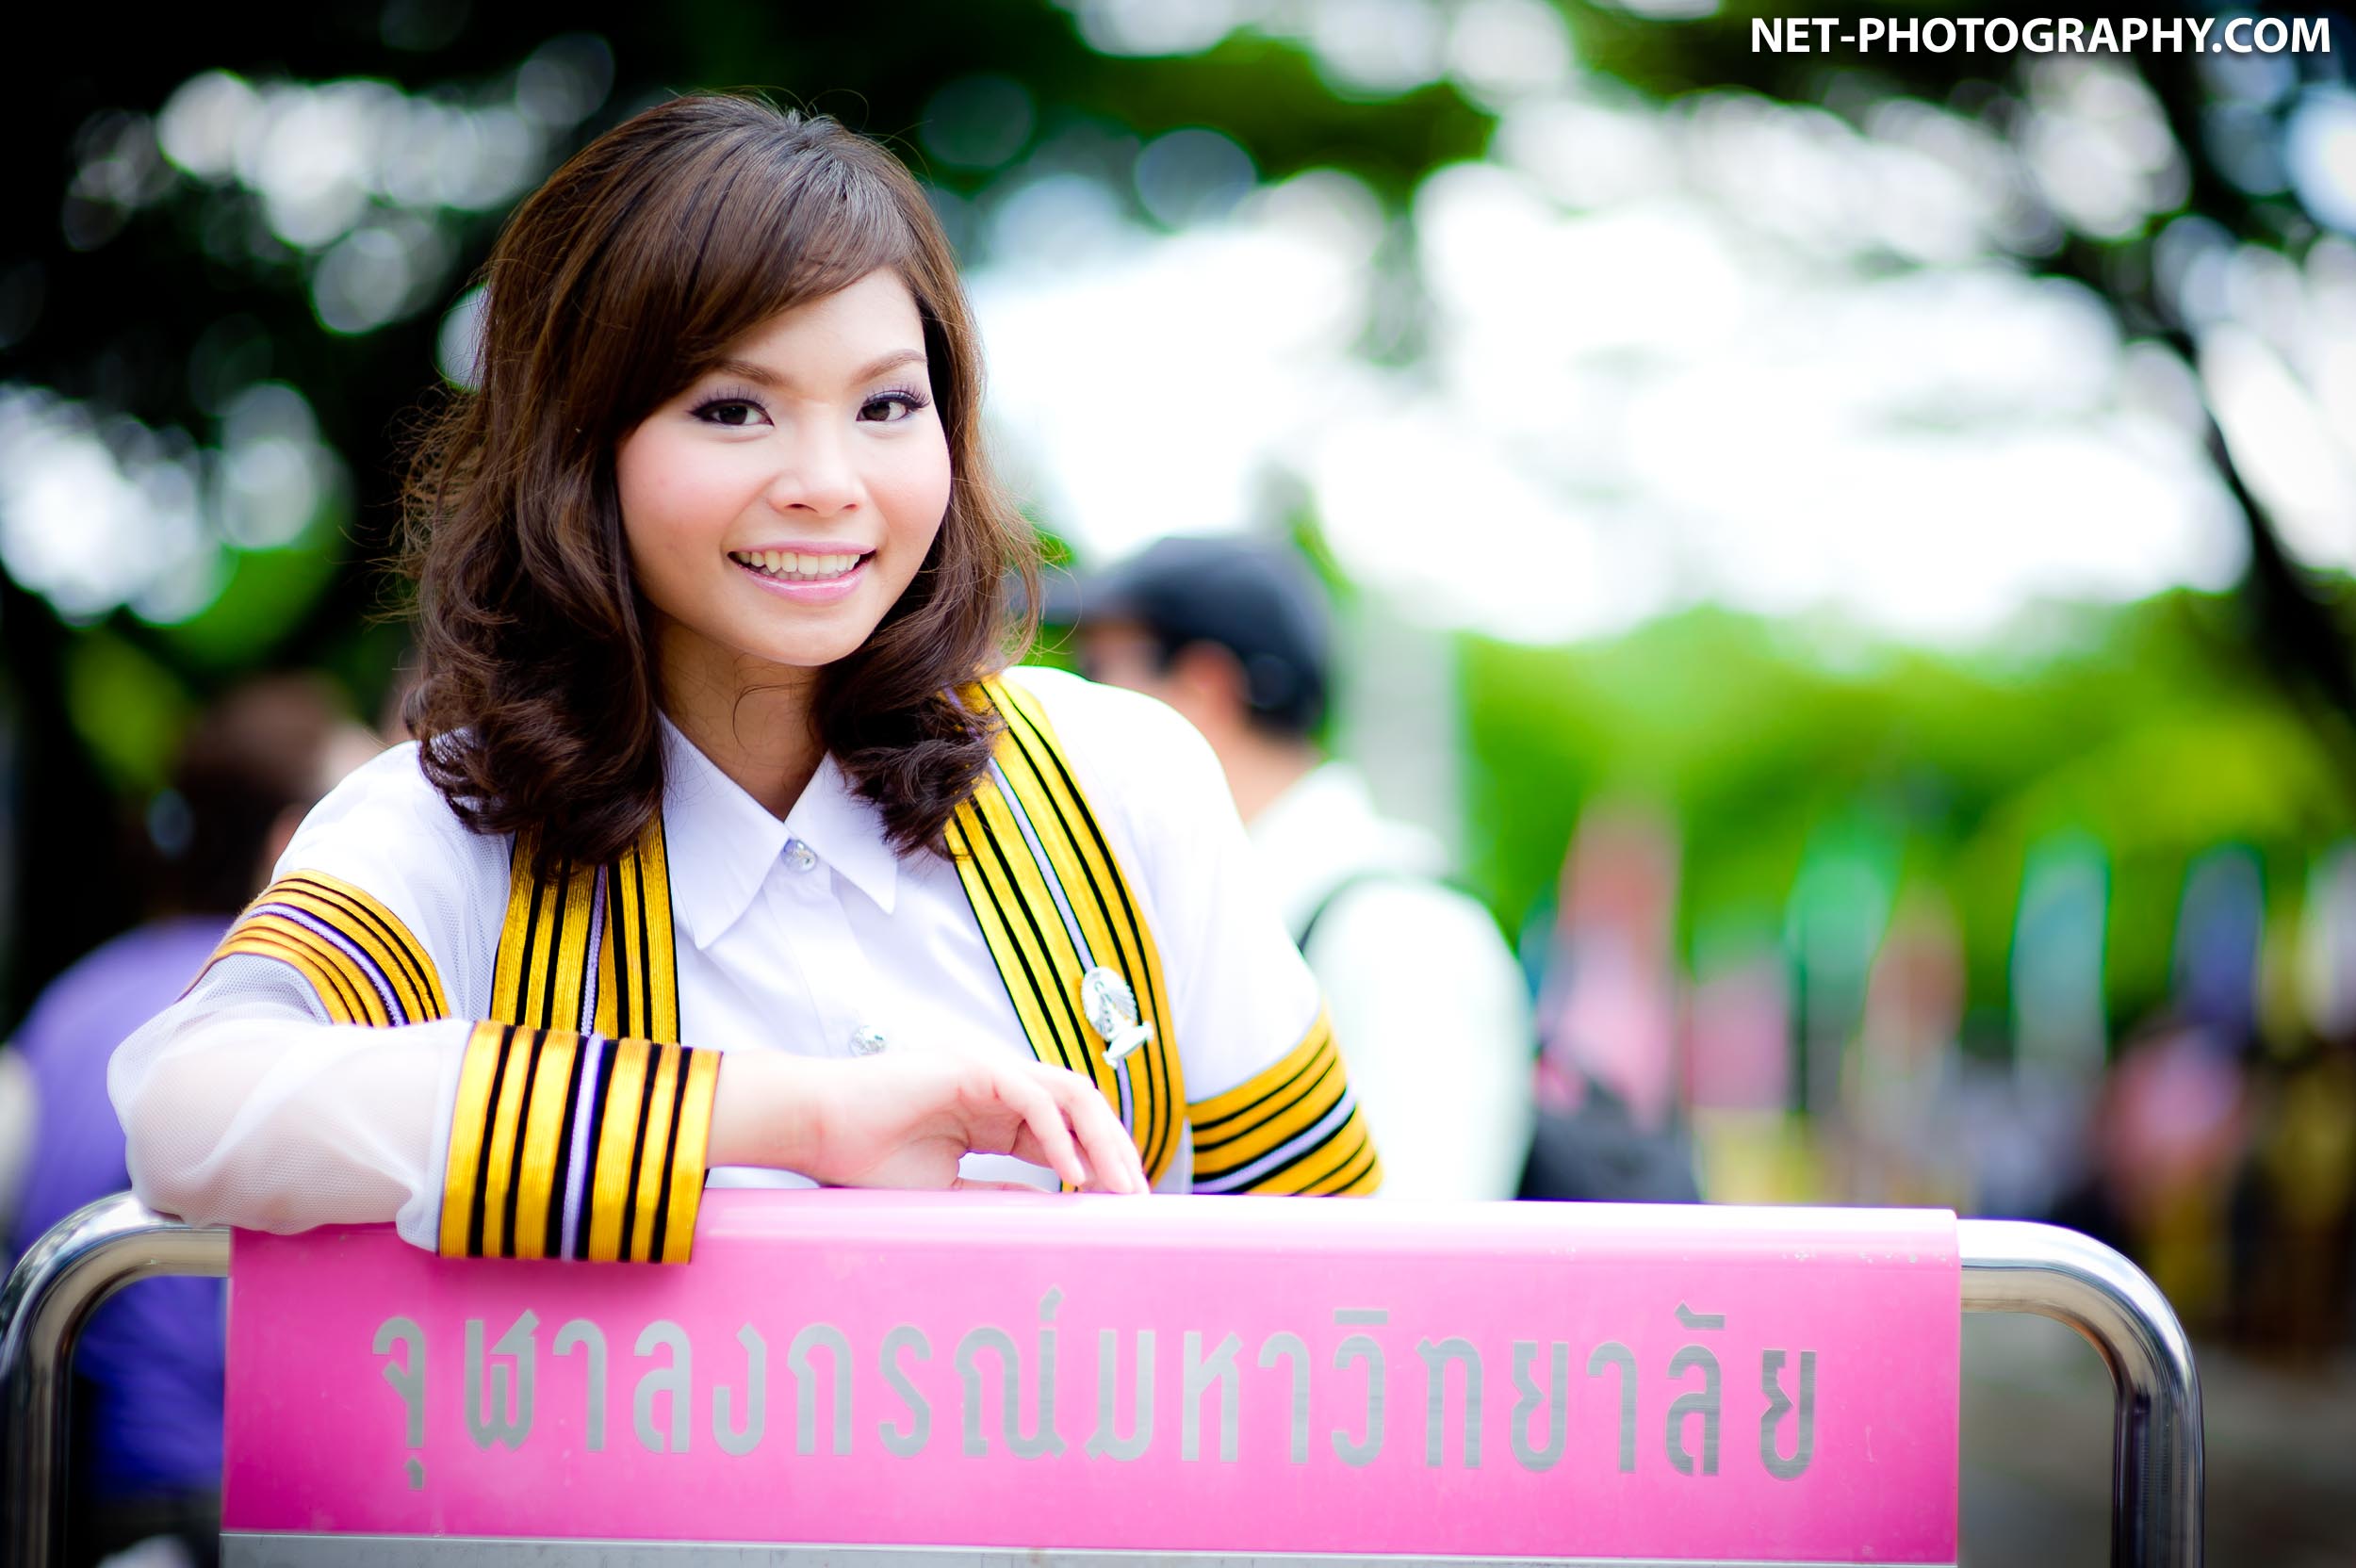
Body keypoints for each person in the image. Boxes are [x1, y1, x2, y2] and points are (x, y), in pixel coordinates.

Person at [110, 96, 1381, 1263]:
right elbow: (190, 1106)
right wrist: (784, 1117)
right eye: (733, 409)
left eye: (887, 406)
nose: (827, 481)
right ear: (578, 447)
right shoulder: (457, 822)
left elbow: (1340, 1269)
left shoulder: (1116, 782)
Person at [8, 674, 377, 1568]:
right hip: (233, 1505)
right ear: (295, 845)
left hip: (70, 1496)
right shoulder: (297, 1020)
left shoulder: (76, 997)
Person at [1064, 535, 1531, 1200]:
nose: (1067, 710)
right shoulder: (1249, 902)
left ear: (1203, 691)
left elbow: (1414, 1240)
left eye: (1096, 669)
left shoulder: (1401, 930)